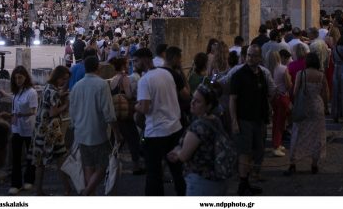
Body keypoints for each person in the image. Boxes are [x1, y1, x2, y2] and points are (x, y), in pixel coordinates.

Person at [134, 47, 185, 196]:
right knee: (178, 172)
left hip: (156, 133)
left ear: (144, 60)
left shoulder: (144, 80)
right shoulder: (167, 73)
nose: (134, 64)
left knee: (154, 175)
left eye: (136, 61)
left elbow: (144, 107)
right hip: (175, 128)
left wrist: (135, 106)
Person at [69, 56, 122, 195]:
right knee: (104, 164)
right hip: (97, 133)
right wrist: (117, 133)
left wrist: (75, 127)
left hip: (81, 133)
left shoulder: (76, 86)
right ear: (98, 67)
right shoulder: (102, 85)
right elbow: (109, 112)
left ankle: (89, 195)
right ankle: (87, 192)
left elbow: (72, 112)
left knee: (88, 165)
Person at [167, 85, 227, 196]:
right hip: (218, 178)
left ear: (208, 106)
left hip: (201, 181)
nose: (192, 103)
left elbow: (184, 155)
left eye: (198, 101)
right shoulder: (216, 120)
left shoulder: (198, 127)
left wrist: (177, 152)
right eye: (193, 99)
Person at [229, 44, 272, 196]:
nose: (250, 58)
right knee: (244, 152)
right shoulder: (239, 75)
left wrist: (267, 115)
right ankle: (243, 184)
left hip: (258, 119)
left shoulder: (260, 73)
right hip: (244, 119)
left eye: (254, 55)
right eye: (248, 55)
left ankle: (248, 181)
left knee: (257, 150)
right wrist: (234, 121)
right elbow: (233, 99)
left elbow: (264, 95)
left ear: (259, 57)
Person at [284, 53, 329, 175]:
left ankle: (293, 162)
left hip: (303, 106)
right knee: (317, 136)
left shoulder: (301, 74)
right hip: (317, 106)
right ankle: (314, 164)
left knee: (297, 133)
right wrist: (325, 107)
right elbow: (326, 93)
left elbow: (295, 91)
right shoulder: (321, 75)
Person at [31, 66, 71, 195]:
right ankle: (67, 190)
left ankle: (38, 190)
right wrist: (65, 105)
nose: (64, 82)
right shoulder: (53, 91)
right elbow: (53, 112)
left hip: (40, 128)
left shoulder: (48, 87)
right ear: (58, 77)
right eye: (63, 79)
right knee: (61, 159)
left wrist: (60, 95)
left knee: (40, 162)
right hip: (51, 130)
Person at [2, 66, 38, 195]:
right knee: (16, 157)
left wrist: (19, 115)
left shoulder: (31, 92)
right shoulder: (18, 92)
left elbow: (34, 111)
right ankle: (15, 183)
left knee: (30, 156)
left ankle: (29, 179)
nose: (18, 80)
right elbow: (14, 100)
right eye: (16, 78)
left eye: (20, 77)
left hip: (28, 128)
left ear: (25, 77)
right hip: (16, 128)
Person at [268, 50, 292, 157]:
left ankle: (276, 142)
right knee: (281, 122)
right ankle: (276, 145)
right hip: (282, 96)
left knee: (275, 121)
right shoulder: (283, 68)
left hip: (273, 98)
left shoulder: (268, 70)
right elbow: (288, 84)